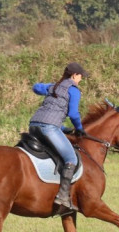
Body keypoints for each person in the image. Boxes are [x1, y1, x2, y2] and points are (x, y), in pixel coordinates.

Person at [30, 61, 88, 213]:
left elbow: (36, 87)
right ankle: (62, 196)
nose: (81, 79)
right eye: (80, 76)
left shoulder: (53, 86)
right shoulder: (74, 90)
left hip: (34, 125)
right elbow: (73, 114)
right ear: (74, 75)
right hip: (48, 128)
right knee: (71, 159)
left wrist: (62, 128)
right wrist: (79, 128)